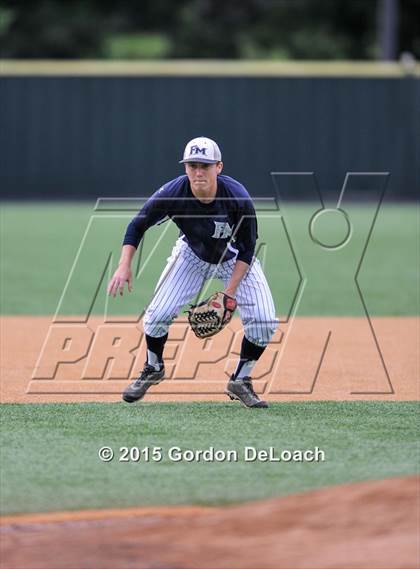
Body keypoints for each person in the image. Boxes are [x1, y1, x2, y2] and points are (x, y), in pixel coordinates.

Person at [107, 137, 278, 408]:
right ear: (185, 167)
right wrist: (124, 264)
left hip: (234, 259)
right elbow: (137, 224)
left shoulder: (237, 198)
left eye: (205, 166)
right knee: (157, 315)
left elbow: (247, 249)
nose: (198, 172)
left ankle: (241, 380)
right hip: (191, 255)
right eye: (192, 165)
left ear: (218, 167)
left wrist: (229, 293)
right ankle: (153, 367)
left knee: (265, 321)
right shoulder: (173, 192)